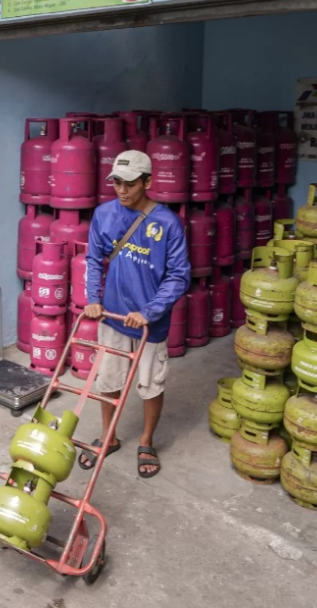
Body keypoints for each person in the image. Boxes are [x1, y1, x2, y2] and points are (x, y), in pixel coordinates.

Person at [78, 150, 190, 478]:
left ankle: (146, 441)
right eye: (116, 183)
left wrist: (150, 311)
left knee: (150, 385)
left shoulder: (167, 223)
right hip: (112, 314)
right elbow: (94, 260)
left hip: (148, 324)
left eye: (129, 184)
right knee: (107, 379)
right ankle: (109, 436)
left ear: (148, 182)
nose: (122, 191)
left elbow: (179, 275)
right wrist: (93, 299)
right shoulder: (104, 214)